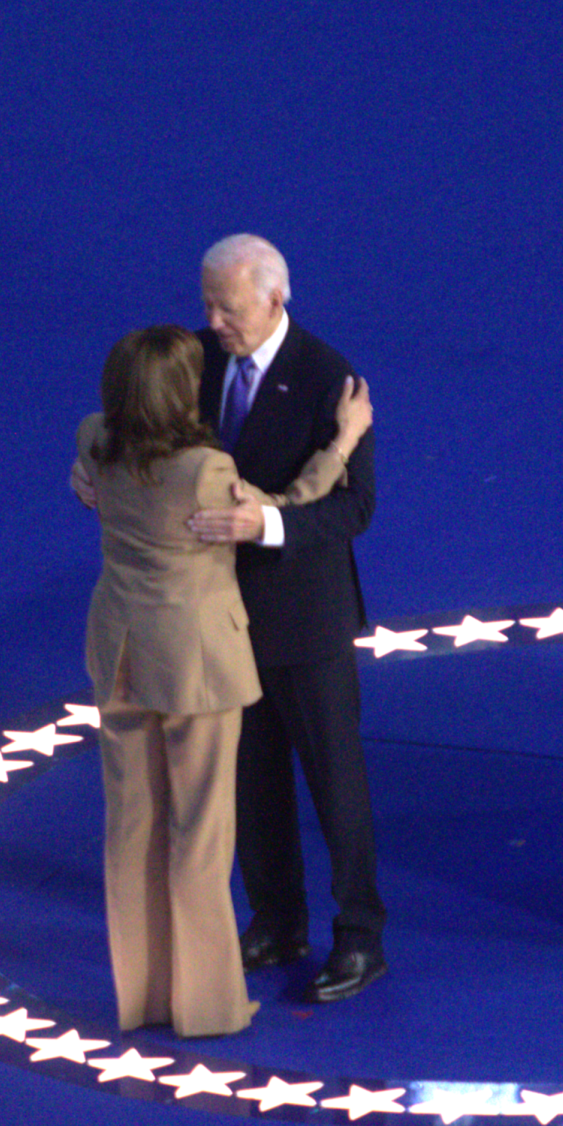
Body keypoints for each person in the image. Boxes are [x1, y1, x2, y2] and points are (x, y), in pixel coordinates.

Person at [76, 324, 371, 1036]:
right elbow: (283, 505)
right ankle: (206, 1007)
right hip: (195, 666)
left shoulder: (92, 440)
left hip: (120, 658)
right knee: (198, 836)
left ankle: (144, 995)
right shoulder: (203, 470)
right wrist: (342, 443)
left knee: (132, 830)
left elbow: (91, 485)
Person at [187, 234, 387, 1003]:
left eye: (227, 307)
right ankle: (276, 921)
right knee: (253, 781)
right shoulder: (198, 361)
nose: (213, 321)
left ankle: (361, 937)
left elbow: (354, 507)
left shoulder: (327, 377)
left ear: (275, 299)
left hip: (305, 623)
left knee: (335, 786)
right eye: (205, 303)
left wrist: (261, 528)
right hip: (224, 620)